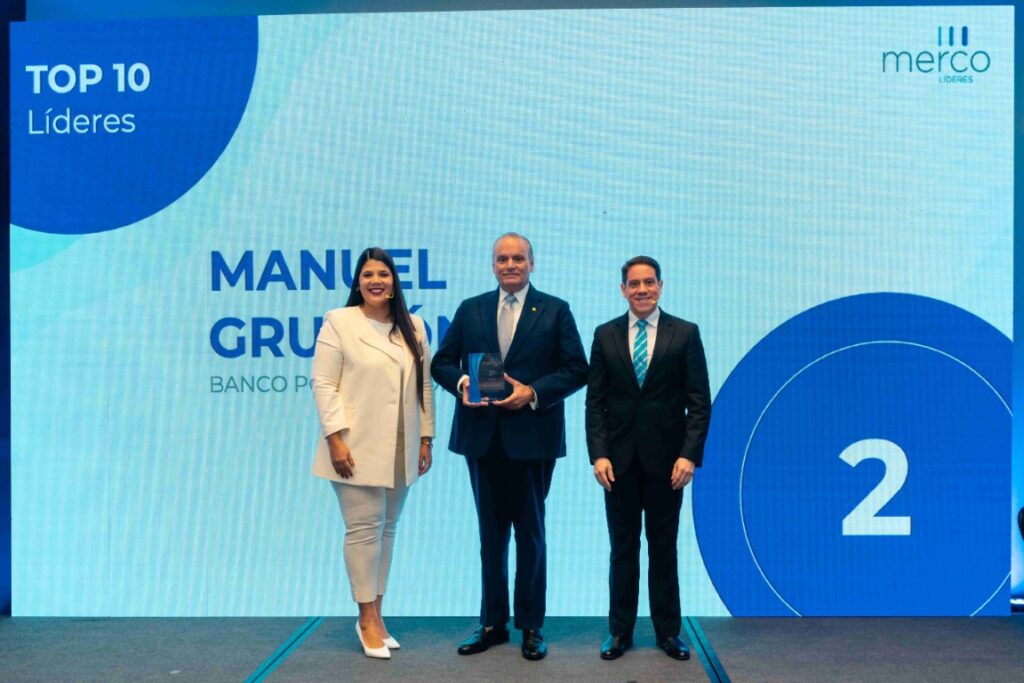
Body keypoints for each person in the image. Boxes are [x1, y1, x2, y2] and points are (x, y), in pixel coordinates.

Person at [432, 233, 588, 661]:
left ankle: (531, 626)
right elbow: (441, 363)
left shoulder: (555, 309)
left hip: (533, 438)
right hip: (482, 438)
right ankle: (492, 623)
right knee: (490, 535)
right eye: (502, 259)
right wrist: (463, 382)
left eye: (518, 258)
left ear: (532, 264)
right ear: (493, 266)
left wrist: (532, 393)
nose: (510, 265)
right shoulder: (471, 309)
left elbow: (578, 369)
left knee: (530, 535)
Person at [310, 247, 435, 660]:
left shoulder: (413, 326)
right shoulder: (339, 321)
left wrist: (426, 438)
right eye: (368, 275)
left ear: (394, 281)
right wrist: (335, 439)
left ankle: (378, 615)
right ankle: (364, 618)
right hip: (354, 447)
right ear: (358, 282)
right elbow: (324, 384)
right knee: (363, 531)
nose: (376, 281)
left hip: (402, 447)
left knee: (387, 531)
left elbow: (424, 386)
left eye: (383, 273)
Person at [585, 255, 711, 662]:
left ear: (660, 286)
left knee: (663, 548)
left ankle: (668, 633)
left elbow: (699, 402)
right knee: (622, 549)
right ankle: (619, 632)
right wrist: (598, 454)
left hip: (668, 464)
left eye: (649, 282)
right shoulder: (605, 335)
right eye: (634, 284)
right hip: (617, 465)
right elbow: (595, 403)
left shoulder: (685, 333)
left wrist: (689, 456)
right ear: (623, 289)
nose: (642, 290)